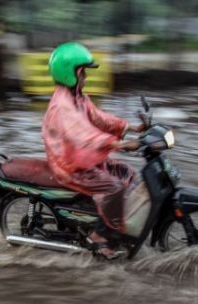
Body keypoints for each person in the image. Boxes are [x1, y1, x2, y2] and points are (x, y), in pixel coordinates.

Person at [42, 42, 145, 259]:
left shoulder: (78, 97)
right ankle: (98, 236)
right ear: (72, 73)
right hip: (71, 166)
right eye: (83, 73)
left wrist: (130, 127)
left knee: (127, 174)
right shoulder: (62, 106)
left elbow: (99, 118)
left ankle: (114, 224)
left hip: (83, 159)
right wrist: (118, 144)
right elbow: (83, 134)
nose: (86, 77)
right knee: (114, 187)